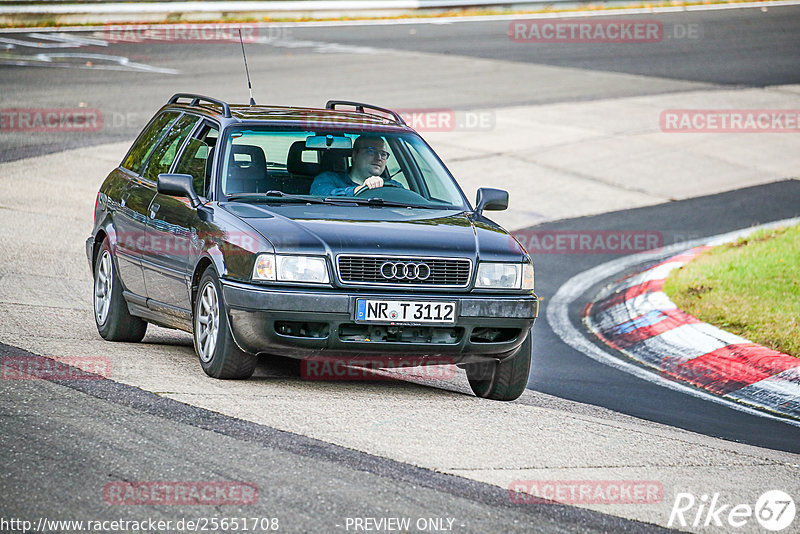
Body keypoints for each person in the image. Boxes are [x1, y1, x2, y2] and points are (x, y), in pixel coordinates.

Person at [310, 135, 402, 197]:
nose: (379, 158)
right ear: (355, 155)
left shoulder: (393, 187)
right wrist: (360, 190)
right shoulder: (328, 178)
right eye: (371, 151)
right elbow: (320, 196)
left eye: (383, 154)